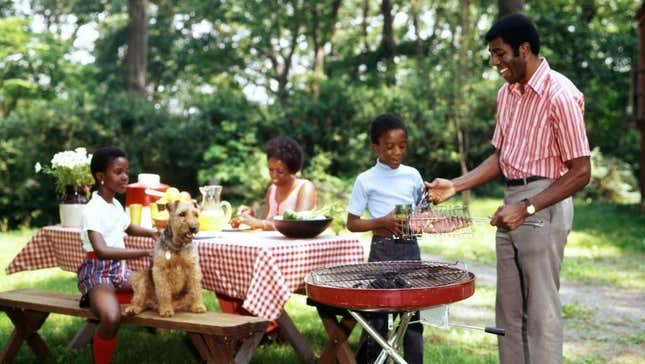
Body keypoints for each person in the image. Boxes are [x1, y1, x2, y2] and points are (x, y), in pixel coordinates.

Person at [426, 14, 591, 364]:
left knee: (541, 310)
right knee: (509, 313)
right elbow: (502, 157)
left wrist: (527, 207)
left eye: (500, 53)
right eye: (492, 54)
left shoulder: (559, 94)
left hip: (544, 202)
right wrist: (455, 185)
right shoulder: (507, 94)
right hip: (509, 203)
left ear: (524, 49)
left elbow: (580, 172)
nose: (494, 62)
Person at [346, 113, 425, 364]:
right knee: (377, 317)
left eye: (402, 146)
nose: (396, 152)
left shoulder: (413, 175)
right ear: (375, 147)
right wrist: (382, 222)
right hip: (381, 249)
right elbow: (352, 223)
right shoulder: (366, 180)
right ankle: (373, 360)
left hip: (410, 249)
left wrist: (423, 217)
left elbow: (423, 210)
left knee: (413, 316)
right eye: (389, 147)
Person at [77, 146, 159, 364]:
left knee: (159, 290)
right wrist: (143, 251)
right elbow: (102, 251)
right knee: (112, 318)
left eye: (126, 172)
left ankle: (117, 295)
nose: (125, 177)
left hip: (119, 272)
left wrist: (151, 231)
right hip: (98, 273)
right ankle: (102, 299)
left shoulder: (114, 204)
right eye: (118, 171)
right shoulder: (92, 210)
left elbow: (129, 227)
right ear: (101, 177)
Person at [233, 135, 317, 230]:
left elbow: (299, 224)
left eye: (280, 171)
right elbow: (265, 224)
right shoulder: (272, 189)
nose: (274, 175)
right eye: (271, 169)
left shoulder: (305, 188)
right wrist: (250, 218)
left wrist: (258, 223)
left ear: (292, 170)